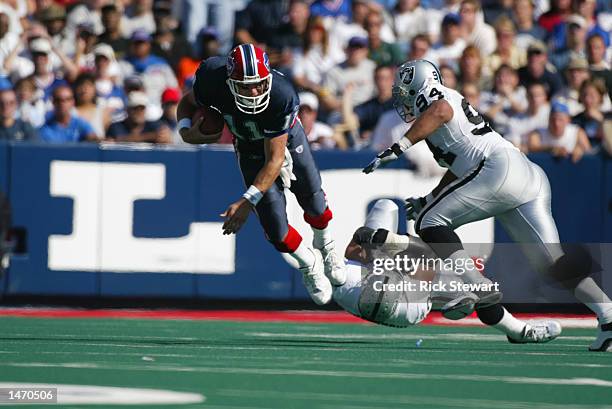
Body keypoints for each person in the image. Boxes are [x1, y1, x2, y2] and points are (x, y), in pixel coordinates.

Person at [363, 59, 612, 351]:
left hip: (497, 169)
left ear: (418, 86)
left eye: (405, 91)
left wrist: (401, 145)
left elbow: (440, 110)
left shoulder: (434, 97)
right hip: (524, 175)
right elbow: (458, 166)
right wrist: (429, 199)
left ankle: (477, 286)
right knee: (552, 264)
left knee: (429, 223)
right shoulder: (442, 106)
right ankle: (608, 316)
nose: (403, 99)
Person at [176, 44, 347, 306]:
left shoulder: (281, 95)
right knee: (276, 231)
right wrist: (185, 129)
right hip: (247, 145)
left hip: (286, 142)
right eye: (245, 86)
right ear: (229, 81)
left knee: (314, 201)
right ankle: (309, 264)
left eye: (259, 84)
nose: (254, 91)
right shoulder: (212, 77)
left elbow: (276, 159)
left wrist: (247, 201)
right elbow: (187, 102)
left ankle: (327, 246)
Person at [335, 199, 562, 344]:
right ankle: (520, 331)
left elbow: (354, 249)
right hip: (404, 308)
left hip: (355, 295)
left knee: (386, 209)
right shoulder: (414, 271)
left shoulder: (350, 279)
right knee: (474, 286)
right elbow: (428, 255)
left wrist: (385, 242)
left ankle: (518, 331)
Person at [527, 100, 591, 162]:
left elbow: (588, 150)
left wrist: (580, 149)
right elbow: (532, 147)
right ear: (549, 120)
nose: (556, 124)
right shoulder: (538, 133)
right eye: (553, 119)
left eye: (560, 120)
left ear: (568, 120)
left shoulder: (577, 132)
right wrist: (552, 149)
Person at [106, 91, 172, 144]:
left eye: (142, 108)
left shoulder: (156, 126)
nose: (139, 112)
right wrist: (152, 136)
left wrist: (166, 138)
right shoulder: (115, 127)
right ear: (127, 110)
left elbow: (166, 138)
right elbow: (116, 139)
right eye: (135, 108)